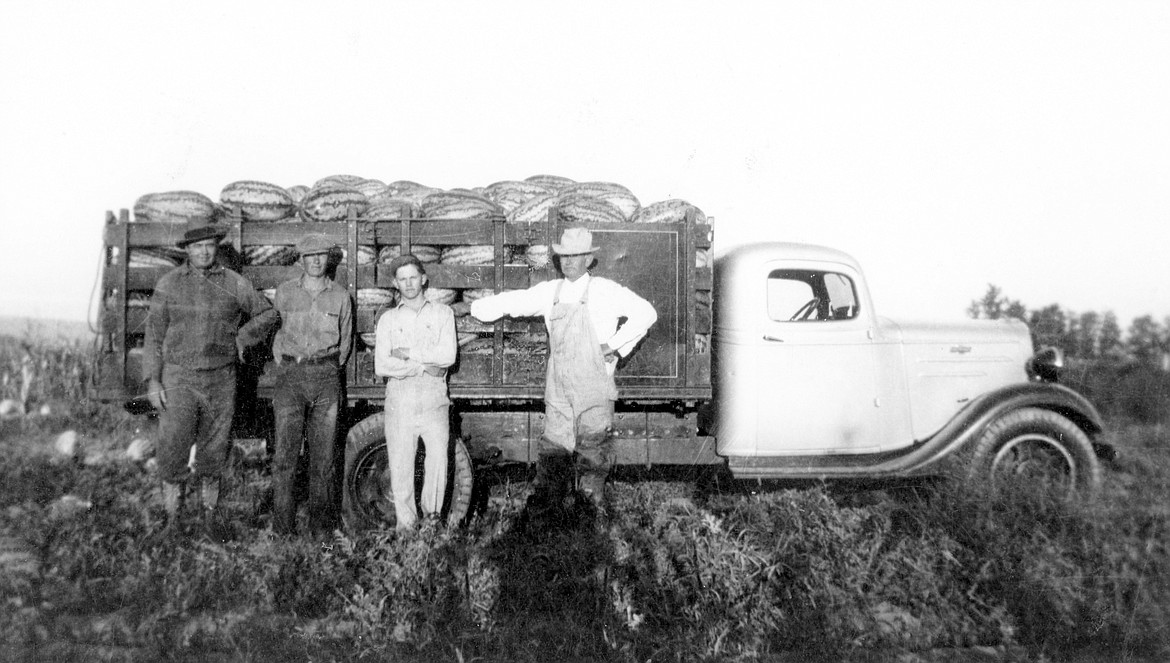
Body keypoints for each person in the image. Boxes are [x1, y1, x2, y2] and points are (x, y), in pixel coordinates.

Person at [468, 227, 657, 521]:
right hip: (558, 391)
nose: (567, 262)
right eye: (563, 256)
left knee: (592, 457)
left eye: (575, 256)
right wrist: (475, 308)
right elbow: (514, 301)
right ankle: (550, 525)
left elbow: (646, 313)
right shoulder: (550, 292)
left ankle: (590, 523)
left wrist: (615, 346)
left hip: (593, 390)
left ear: (588, 260)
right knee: (554, 457)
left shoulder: (605, 290)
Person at [143, 218, 278, 529]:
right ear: (187, 250)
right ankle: (173, 522)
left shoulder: (233, 282)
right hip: (178, 378)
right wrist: (153, 379)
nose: (204, 252)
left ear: (217, 248)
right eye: (197, 247)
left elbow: (268, 313)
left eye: (209, 246)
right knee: (173, 448)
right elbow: (154, 334)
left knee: (214, 451)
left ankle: (209, 521)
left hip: (220, 379)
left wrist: (243, 336)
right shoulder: (170, 284)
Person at [270, 233, 353, 537]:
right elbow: (276, 331)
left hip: (325, 376)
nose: (316, 261)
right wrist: (288, 363)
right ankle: (282, 529)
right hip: (291, 377)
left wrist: (326, 366)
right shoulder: (285, 292)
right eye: (310, 256)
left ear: (328, 259)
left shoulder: (340, 296)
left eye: (322, 255)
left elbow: (345, 342)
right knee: (285, 456)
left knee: (324, 459)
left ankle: (322, 530)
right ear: (301, 260)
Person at [374, 254, 457, 529]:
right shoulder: (387, 319)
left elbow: (447, 356)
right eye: (402, 279)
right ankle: (407, 529)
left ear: (423, 279)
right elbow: (382, 365)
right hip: (400, 399)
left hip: (434, 399)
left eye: (413, 277)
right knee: (401, 467)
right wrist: (424, 366)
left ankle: (432, 524)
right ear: (395, 284)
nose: (409, 284)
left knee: (437, 464)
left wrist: (408, 353)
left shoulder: (443, 313)